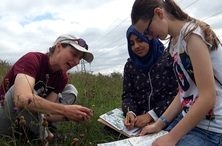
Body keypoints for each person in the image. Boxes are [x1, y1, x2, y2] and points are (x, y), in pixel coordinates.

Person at [131, 0, 222, 146]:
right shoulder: (174, 43)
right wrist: (159, 124)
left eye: (147, 31)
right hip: (194, 121)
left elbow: (208, 97)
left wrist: (172, 138)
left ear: (159, 13)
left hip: (213, 129)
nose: (149, 37)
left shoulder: (192, 36)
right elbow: (184, 93)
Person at [0, 34, 94, 140]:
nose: (77, 62)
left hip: (28, 122)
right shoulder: (32, 59)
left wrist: (70, 116)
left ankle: (41, 132)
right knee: (22, 94)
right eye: (74, 54)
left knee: (70, 90)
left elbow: (46, 114)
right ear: (58, 47)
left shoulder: (62, 77)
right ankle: (47, 136)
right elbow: (22, 100)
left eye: (80, 58)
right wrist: (65, 110)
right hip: (6, 117)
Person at [122, 25, 178, 130]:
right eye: (132, 43)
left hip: (165, 116)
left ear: (150, 38)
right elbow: (128, 95)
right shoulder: (130, 66)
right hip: (138, 119)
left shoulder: (168, 59)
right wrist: (130, 112)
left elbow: (176, 95)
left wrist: (150, 116)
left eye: (140, 40)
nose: (136, 46)